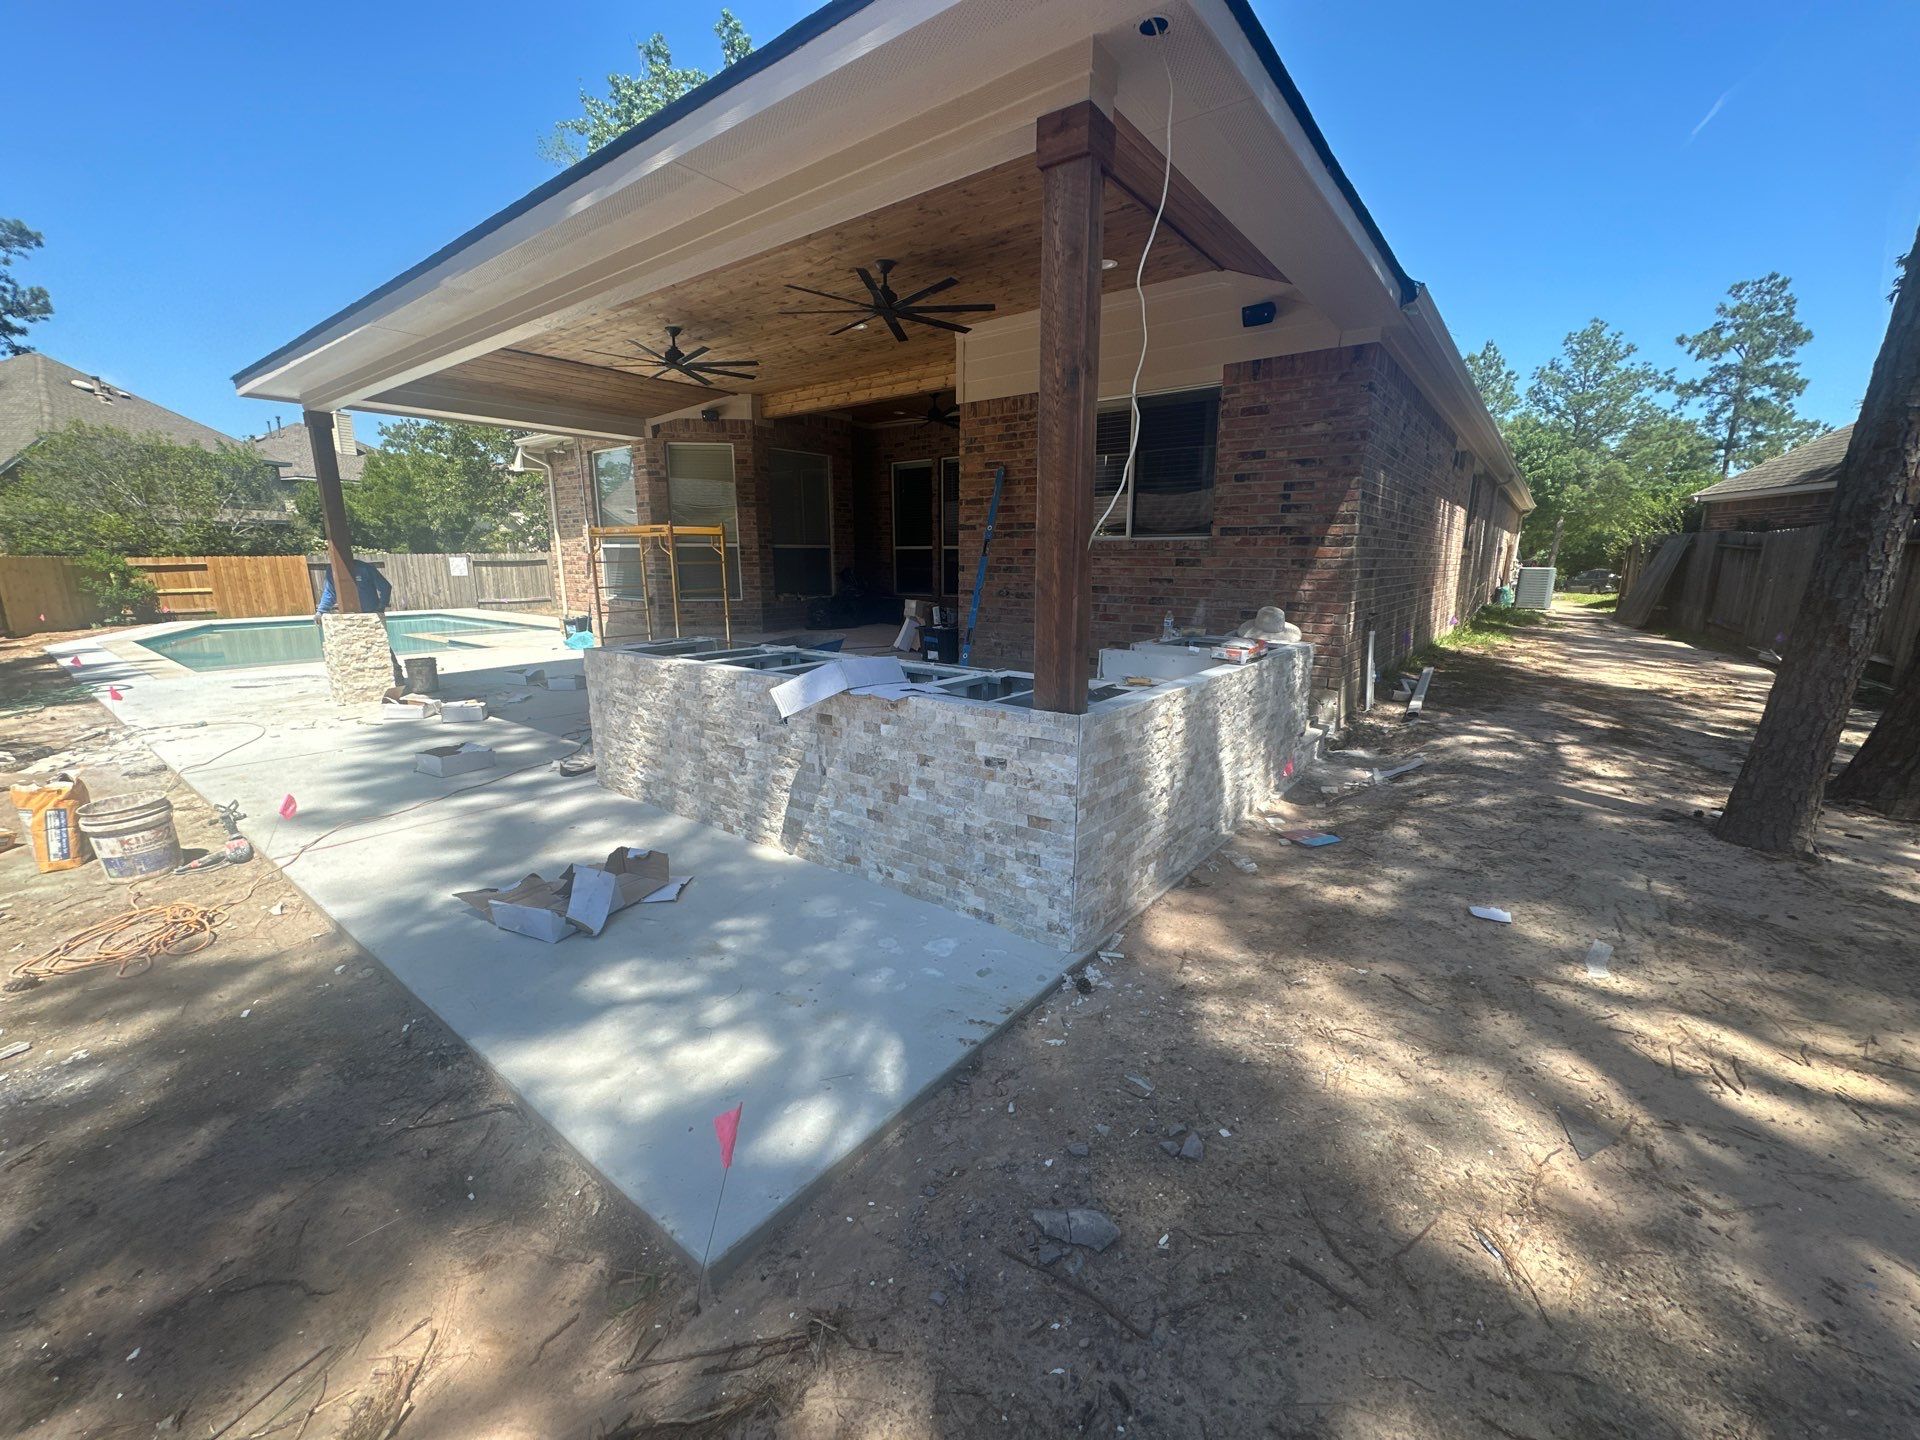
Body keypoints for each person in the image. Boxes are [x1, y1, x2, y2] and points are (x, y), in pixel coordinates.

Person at [315, 559, 404, 686]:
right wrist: (321, 611)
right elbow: (329, 592)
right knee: (353, 652)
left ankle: (396, 673)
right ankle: (360, 681)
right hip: (347, 619)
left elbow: (385, 586)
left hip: (370, 615)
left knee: (381, 647)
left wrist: (381, 606)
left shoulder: (364, 568)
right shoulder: (332, 571)